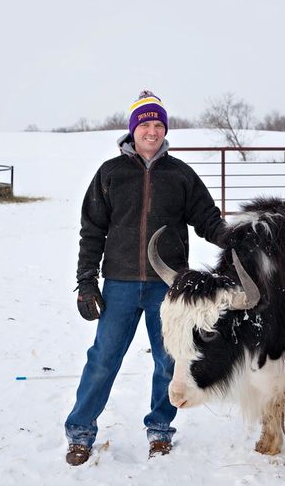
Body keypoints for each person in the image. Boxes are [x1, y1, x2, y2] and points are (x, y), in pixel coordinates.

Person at [64, 90, 227, 465]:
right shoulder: (110, 173)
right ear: (133, 129)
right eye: (145, 124)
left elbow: (208, 219)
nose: (152, 131)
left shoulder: (180, 174)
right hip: (119, 285)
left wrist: (235, 242)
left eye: (158, 125)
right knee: (103, 359)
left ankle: (159, 429)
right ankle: (81, 432)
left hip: (167, 289)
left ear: (164, 130)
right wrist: (86, 282)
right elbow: (92, 231)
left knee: (168, 362)